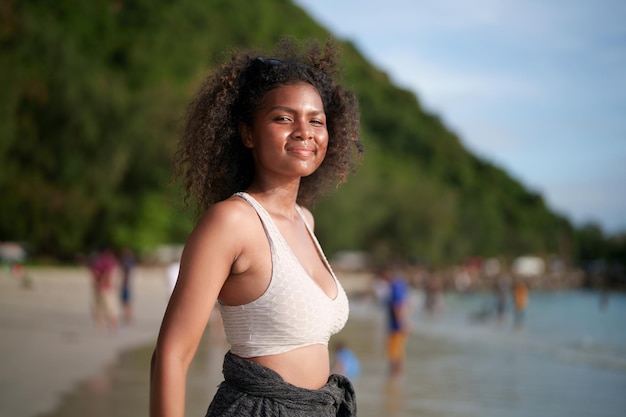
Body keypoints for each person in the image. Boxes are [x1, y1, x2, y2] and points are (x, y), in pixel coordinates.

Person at [150, 37, 362, 417]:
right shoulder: (231, 221)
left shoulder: (305, 220)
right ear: (247, 133)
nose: (304, 131)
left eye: (316, 120)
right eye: (284, 118)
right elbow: (172, 355)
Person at [381, 266, 410, 376]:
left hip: (396, 326)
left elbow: (397, 306)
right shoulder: (401, 285)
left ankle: (393, 379)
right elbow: (406, 304)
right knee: (399, 354)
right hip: (398, 325)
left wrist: (402, 323)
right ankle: (396, 380)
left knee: (394, 355)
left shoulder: (394, 286)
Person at [89, 248, 120, 332]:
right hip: (106, 289)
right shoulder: (109, 262)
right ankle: (112, 327)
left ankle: (100, 326)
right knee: (109, 308)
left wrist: (98, 283)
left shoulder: (97, 261)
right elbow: (108, 274)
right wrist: (102, 283)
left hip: (100, 288)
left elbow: (94, 272)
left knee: (98, 308)